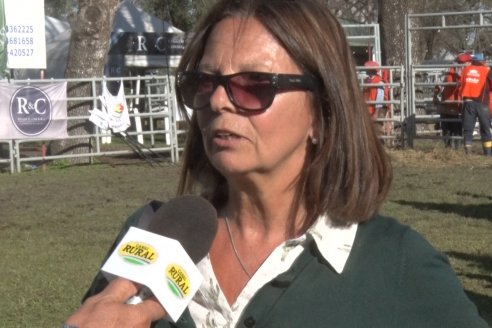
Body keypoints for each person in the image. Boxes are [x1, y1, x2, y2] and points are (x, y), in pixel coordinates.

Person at [63, 0, 488, 327]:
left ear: (322, 113)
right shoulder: (154, 228)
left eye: (253, 85)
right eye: (205, 82)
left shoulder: (398, 265)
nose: (217, 101)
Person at [434, 53, 472, 148]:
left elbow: (438, 84)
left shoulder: (450, 69)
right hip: (454, 105)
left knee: (452, 128)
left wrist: (435, 96)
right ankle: (452, 148)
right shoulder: (461, 70)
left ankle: (452, 148)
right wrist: (435, 96)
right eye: (468, 62)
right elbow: (438, 84)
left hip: (453, 105)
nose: (469, 64)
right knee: (452, 128)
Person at [459, 53, 492, 155]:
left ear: (473, 60)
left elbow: (460, 84)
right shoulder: (486, 71)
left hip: (468, 102)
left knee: (468, 128)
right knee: (486, 128)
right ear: (482, 61)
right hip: (482, 103)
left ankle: (468, 153)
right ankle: (488, 153)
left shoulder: (465, 70)